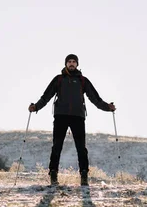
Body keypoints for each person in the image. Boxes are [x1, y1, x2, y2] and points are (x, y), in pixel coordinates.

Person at [29, 54, 116, 186]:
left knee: (81, 148)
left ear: (77, 64)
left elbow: (95, 99)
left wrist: (108, 107)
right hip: (61, 116)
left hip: (78, 117)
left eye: (74, 62)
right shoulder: (58, 79)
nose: (71, 64)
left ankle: (84, 174)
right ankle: (53, 174)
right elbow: (46, 96)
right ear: (65, 64)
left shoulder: (83, 80)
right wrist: (35, 107)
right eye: (69, 61)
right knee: (57, 146)